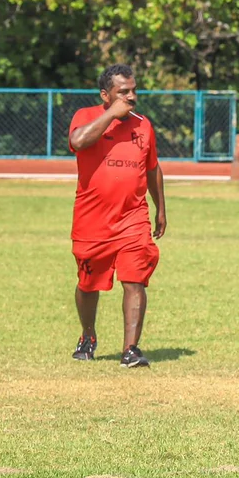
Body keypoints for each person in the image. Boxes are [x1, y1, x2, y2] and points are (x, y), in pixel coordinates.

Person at [68, 64, 167, 368]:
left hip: (133, 218)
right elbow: (77, 142)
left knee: (135, 279)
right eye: (123, 91)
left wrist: (161, 207)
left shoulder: (143, 125)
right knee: (88, 284)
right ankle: (88, 336)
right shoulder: (86, 116)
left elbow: (152, 168)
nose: (131, 97)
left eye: (134, 90)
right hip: (92, 220)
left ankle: (131, 350)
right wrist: (112, 114)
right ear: (105, 95)